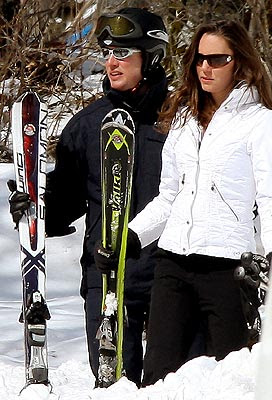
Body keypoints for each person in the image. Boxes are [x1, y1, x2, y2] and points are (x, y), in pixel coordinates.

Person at [95, 19, 272, 386]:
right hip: (172, 265)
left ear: (241, 62)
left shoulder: (262, 123)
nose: (205, 67)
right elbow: (170, 195)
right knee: (158, 376)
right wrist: (131, 237)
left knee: (227, 379)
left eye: (217, 59)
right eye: (200, 59)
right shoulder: (185, 118)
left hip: (227, 268)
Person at [8, 7, 169, 388]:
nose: (111, 63)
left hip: (172, 275)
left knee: (180, 385)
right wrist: (33, 206)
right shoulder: (87, 125)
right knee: (114, 388)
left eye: (123, 54)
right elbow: (65, 205)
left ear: (152, 57)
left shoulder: (181, 118)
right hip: (106, 274)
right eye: (108, 53)